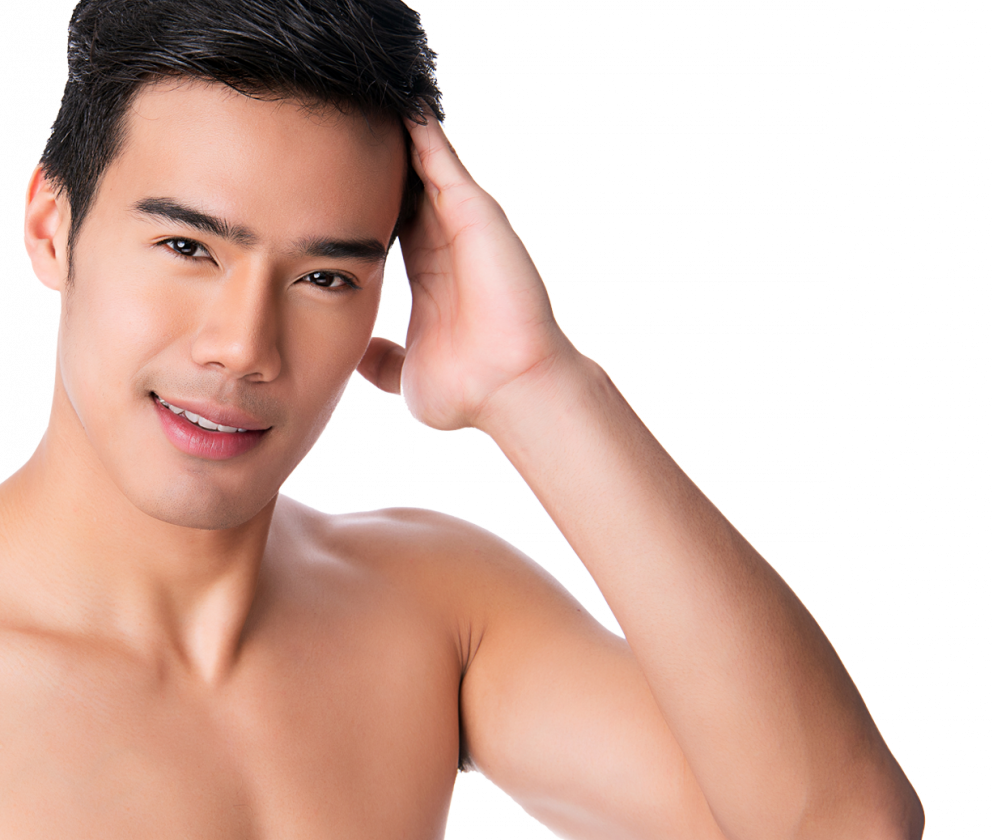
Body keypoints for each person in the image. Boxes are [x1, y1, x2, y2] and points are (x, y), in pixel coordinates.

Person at [1, 0, 923, 837]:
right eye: (186, 246)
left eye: (324, 277)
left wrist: (535, 384)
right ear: (51, 227)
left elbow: (847, 826)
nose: (243, 347)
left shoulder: (431, 610)